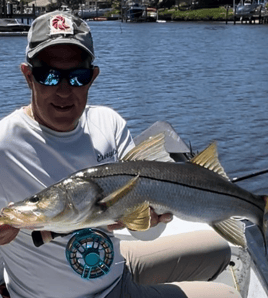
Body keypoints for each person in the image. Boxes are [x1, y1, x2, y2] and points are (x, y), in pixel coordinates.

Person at [0, 11, 241, 298]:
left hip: (117, 269)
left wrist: (148, 222)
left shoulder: (108, 123)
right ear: (28, 76)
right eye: (48, 75)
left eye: (78, 76)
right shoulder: (5, 143)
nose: (64, 90)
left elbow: (148, 232)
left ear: (93, 77)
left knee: (218, 249)